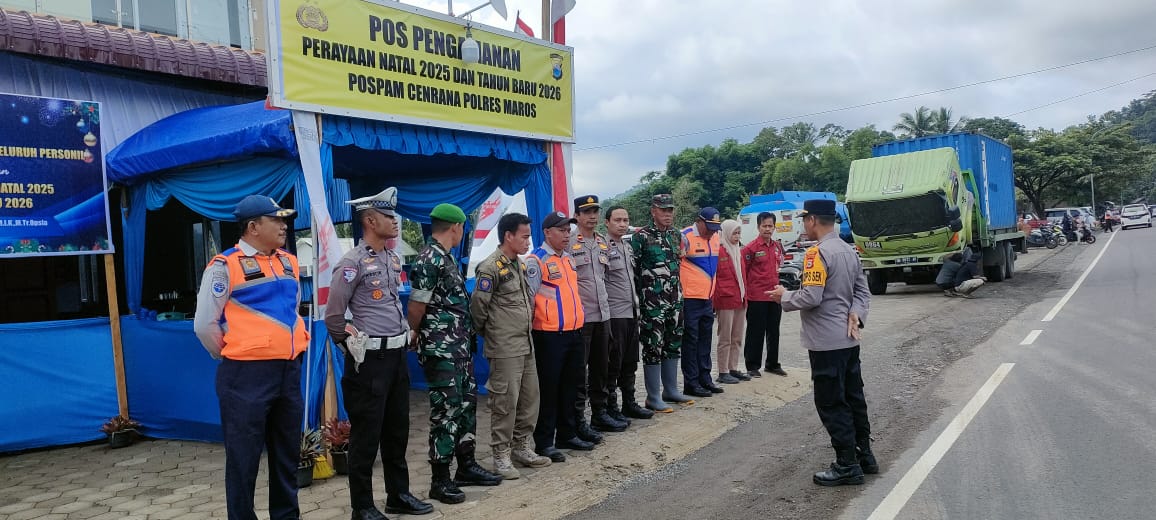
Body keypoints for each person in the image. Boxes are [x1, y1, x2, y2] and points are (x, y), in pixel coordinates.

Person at [193, 195, 308, 520]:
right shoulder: (224, 266)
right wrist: (233, 352)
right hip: (245, 377)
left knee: (287, 455)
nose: (284, 225)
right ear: (253, 227)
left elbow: (293, 310)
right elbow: (204, 325)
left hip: (288, 371)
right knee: (243, 460)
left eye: (284, 219)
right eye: (277, 220)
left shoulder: (289, 262)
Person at [324, 188, 433, 519]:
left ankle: (398, 494)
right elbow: (333, 317)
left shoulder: (390, 258)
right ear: (370, 221)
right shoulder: (351, 263)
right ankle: (363, 506)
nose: (395, 222)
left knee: (397, 431)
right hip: (368, 362)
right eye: (388, 217)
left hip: (397, 357)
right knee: (366, 436)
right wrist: (352, 348)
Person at [767, 199, 876, 487]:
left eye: (804, 220)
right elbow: (863, 294)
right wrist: (857, 315)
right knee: (854, 397)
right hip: (849, 340)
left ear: (813, 220)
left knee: (831, 402)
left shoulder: (817, 254)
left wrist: (783, 297)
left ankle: (847, 464)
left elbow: (811, 298)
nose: (804, 225)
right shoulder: (849, 250)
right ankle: (864, 454)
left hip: (826, 343)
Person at [408, 203, 503, 505]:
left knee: (465, 407)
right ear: (456, 227)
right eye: (463, 227)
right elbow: (417, 306)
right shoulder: (428, 258)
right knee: (446, 412)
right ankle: (440, 480)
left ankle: (466, 466)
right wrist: (415, 333)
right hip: (441, 349)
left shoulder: (445, 257)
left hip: (459, 348)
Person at [470, 213, 552, 480]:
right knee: (505, 402)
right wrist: (493, 332)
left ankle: (521, 447)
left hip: (525, 343)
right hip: (504, 347)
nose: (528, 241)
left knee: (530, 399)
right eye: (525, 236)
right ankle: (500, 455)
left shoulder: (519, 264)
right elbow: (478, 310)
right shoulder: (490, 267)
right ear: (508, 236)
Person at [527, 211, 591, 461]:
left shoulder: (568, 259)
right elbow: (529, 300)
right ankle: (544, 441)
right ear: (547, 232)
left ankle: (568, 433)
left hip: (574, 332)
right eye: (562, 230)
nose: (567, 235)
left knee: (571, 386)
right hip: (549, 336)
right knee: (549, 390)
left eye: (568, 230)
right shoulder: (537, 260)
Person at [630, 194, 695, 413]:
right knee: (652, 346)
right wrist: (643, 299)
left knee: (673, 343)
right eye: (663, 210)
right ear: (653, 211)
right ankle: (653, 396)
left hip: (675, 300)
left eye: (670, 210)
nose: (667, 214)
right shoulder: (641, 237)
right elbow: (634, 272)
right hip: (652, 303)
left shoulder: (677, 235)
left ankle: (671, 390)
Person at [570, 195, 626, 436]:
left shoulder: (603, 242)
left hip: (604, 315)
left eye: (595, 211)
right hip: (582, 318)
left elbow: (605, 278)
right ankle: (577, 419)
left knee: (601, 368)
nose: (592, 216)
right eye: (586, 212)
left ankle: (600, 414)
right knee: (578, 373)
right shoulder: (569, 241)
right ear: (577, 216)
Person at [604, 206, 654, 419]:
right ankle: (611, 407)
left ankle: (629, 403)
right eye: (617, 220)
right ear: (607, 222)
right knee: (613, 363)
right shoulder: (601, 247)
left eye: (625, 220)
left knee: (630, 361)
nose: (622, 224)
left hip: (632, 311)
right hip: (614, 314)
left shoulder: (627, 246)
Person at [679, 207, 723, 397]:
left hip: (707, 298)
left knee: (705, 340)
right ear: (699, 221)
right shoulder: (685, 236)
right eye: (709, 226)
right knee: (691, 342)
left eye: (715, 227)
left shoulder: (715, 237)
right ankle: (691, 382)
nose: (712, 230)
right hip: (690, 299)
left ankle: (705, 379)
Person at [743, 211, 787, 378]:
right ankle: (752, 366)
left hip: (774, 296)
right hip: (756, 297)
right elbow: (744, 271)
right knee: (756, 332)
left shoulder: (776, 247)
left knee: (774, 331)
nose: (768, 229)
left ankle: (772, 364)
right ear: (758, 227)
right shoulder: (750, 248)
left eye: (771, 226)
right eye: (765, 226)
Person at [713, 219, 749, 385]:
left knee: (737, 337)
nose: (736, 236)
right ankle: (723, 371)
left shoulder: (737, 251)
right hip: (726, 300)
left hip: (740, 299)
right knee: (725, 337)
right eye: (734, 233)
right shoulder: (720, 251)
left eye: (738, 233)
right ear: (726, 233)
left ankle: (733, 368)